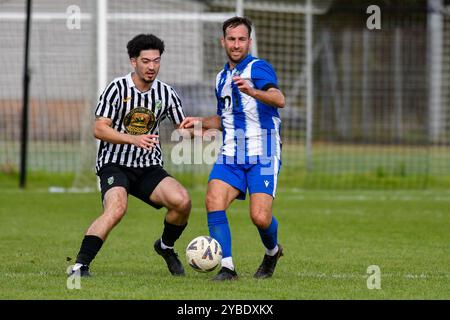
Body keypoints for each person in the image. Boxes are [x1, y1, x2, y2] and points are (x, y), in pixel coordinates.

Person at [68, 34, 191, 277]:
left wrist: (206, 128)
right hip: (114, 164)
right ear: (133, 61)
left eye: (156, 61)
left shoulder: (166, 93)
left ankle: (165, 247)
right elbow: (99, 128)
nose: (152, 67)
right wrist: (133, 139)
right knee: (116, 208)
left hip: (148, 166)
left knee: (182, 202)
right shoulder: (117, 88)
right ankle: (80, 266)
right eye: (146, 61)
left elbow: (182, 128)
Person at [180, 17, 285, 280]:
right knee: (213, 200)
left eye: (241, 39)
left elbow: (279, 99)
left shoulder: (258, 69)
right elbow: (224, 119)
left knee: (260, 218)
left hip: (264, 151)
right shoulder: (221, 78)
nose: (236, 44)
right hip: (231, 152)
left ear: (249, 42)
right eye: (231, 39)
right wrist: (200, 124)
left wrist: (254, 92)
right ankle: (227, 267)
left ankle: (272, 252)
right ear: (223, 41)